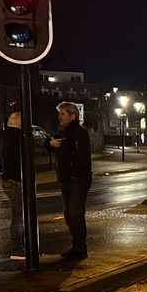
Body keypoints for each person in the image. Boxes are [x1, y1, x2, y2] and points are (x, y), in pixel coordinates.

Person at [46, 102, 92, 260]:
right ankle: (77, 246)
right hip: (66, 178)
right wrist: (49, 144)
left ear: (72, 115)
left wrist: (74, 171)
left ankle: (81, 248)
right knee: (68, 214)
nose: (60, 117)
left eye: (63, 114)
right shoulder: (63, 132)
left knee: (75, 214)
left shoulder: (79, 132)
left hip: (77, 180)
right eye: (60, 114)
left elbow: (82, 156)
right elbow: (53, 146)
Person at [0, 109, 25, 259]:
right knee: (18, 215)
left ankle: (19, 245)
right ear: (17, 122)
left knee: (18, 214)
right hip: (15, 180)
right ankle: (17, 247)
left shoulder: (6, 137)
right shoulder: (16, 139)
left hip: (10, 179)